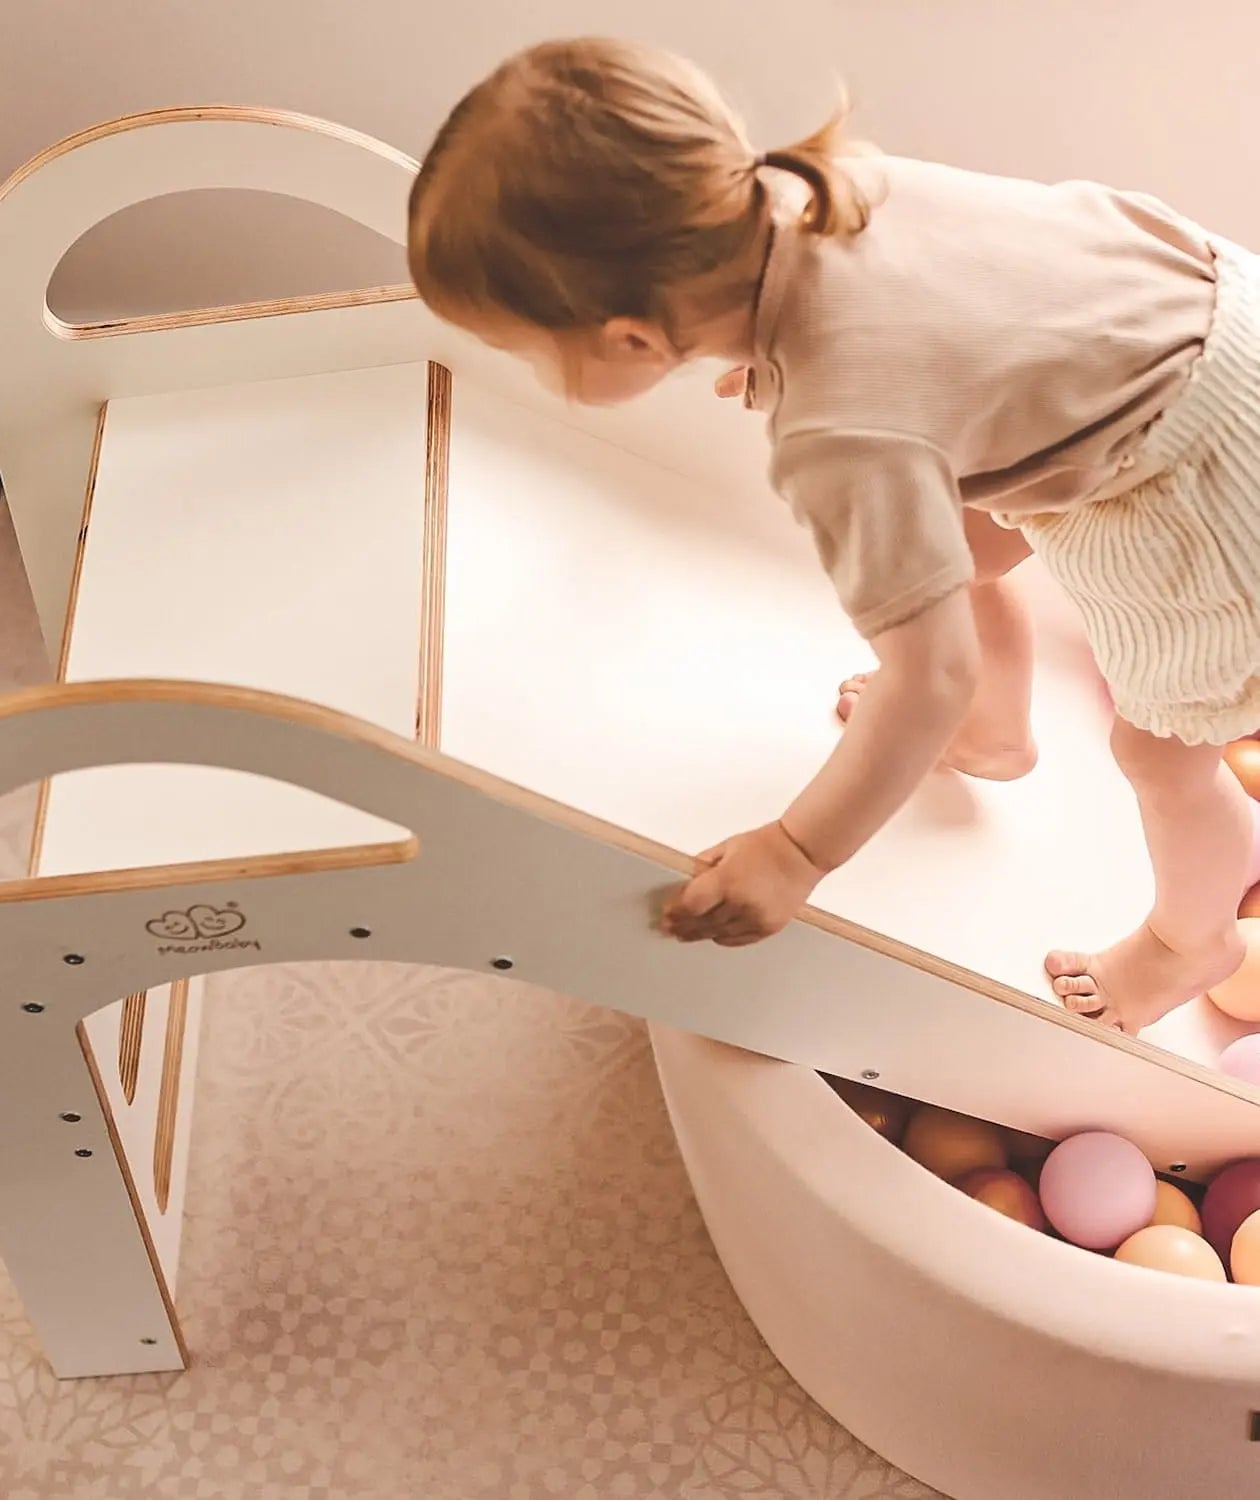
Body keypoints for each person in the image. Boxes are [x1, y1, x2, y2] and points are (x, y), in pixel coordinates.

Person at [407, 36, 1260, 1035]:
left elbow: (923, 668)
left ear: (635, 339)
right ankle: (992, 733)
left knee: (1160, 755)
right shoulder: (824, 189)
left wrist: (795, 853)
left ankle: (1188, 940)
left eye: (538, 355)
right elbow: (934, 320)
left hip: (1206, 473)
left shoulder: (837, 431)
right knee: (963, 543)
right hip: (1198, 319)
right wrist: (792, 366)